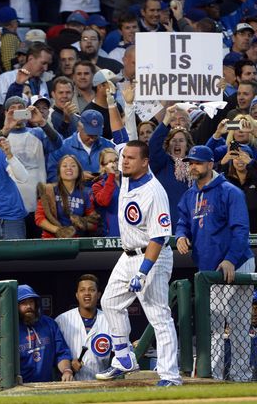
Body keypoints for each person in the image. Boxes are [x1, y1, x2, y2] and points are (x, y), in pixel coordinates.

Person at [96, 140, 182, 387]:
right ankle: (123, 357)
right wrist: (117, 103)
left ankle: (169, 376)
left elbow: (159, 237)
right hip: (128, 254)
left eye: (131, 158)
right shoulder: (125, 177)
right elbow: (120, 133)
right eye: (124, 157)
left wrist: (143, 272)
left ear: (145, 163)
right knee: (110, 302)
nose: (124, 160)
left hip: (152, 256)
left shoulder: (154, 192)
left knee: (159, 316)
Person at [176, 145, 255, 382]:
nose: (193, 166)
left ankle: (242, 377)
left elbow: (241, 230)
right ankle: (215, 378)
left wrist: (230, 259)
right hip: (208, 270)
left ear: (211, 164)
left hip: (237, 263)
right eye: (190, 163)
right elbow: (182, 220)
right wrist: (180, 235)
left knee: (240, 326)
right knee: (214, 329)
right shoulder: (189, 195)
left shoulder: (230, 191)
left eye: (197, 162)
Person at [0, 284, 74, 382]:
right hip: (18, 388)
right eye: (23, 303)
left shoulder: (49, 324)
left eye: (31, 302)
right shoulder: (8, 331)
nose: (29, 306)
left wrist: (67, 370)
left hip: (47, 385)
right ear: (15, 306)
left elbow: (61, 353)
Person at [55, 274, 112, 381]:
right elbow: (54, 354)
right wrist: (68, 367)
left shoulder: (109, 320)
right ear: (77, 295)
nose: (87, 293)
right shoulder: (61, 320)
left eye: (91, 290)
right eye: (82, 290)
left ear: (99, 294)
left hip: (101, 384)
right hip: (69, 384)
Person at [35, 155, 99, 238]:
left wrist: (83, 222)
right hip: (51, 241)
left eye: (73, 165)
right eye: (64, 165)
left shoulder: (85, 194)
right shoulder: (49, 190)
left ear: (79, 171)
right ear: (59, 171)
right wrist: (58, 230)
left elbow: (94, 223)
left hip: (76, 242)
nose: (69, 168)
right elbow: (39, 218)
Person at [92, 148, 120, 237]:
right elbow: (104, 201)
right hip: (111, 234)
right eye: (110, 162)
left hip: (132, 234)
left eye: (116, 160)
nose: (114, 165)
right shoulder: (97, 186)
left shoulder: (130, 181)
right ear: (103, 167)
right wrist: (111, 176)